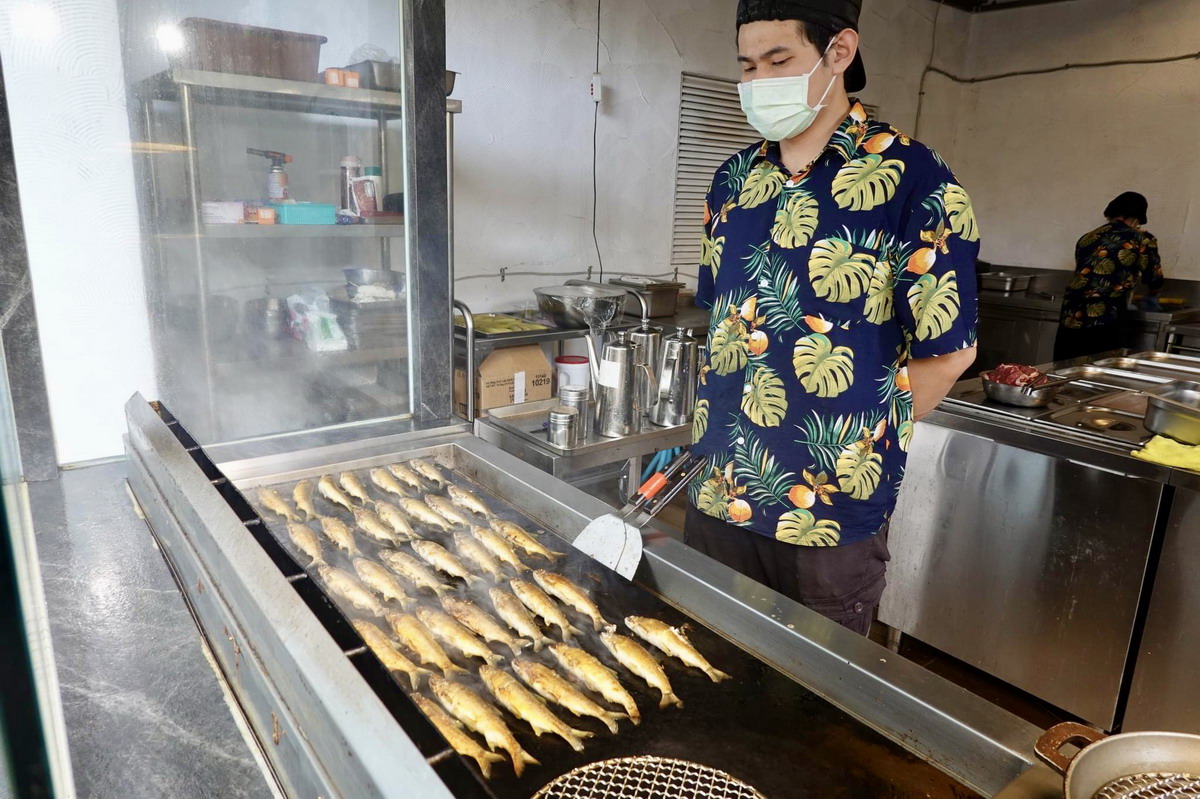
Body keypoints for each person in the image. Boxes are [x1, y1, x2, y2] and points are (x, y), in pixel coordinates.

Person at [686, 0, 979, 635]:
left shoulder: (914, 180)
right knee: (712, 670)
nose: (759, 81)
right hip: (718, 493)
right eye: (747, 66)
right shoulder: (732, 179)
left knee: (813, 705)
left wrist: (859, 440)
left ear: (839, 53)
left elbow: (950, 350)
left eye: (779, 60)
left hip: (827, 519)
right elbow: (725, 320)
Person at [1054, 192, 1163, 362]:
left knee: (1065, 366)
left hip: (1072, 310)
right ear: (1136, 218)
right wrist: (1153, 295)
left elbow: (1085, 272)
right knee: (1100, 369)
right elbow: (1153, 276)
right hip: (1106, 312)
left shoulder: (1088, 237)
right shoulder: (1141, 239)